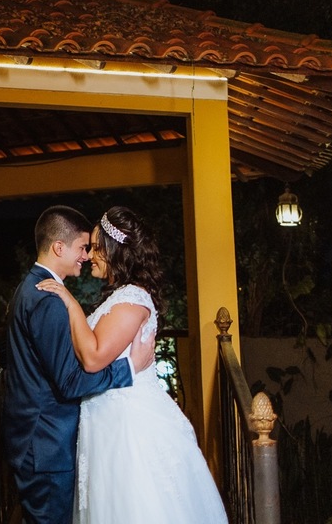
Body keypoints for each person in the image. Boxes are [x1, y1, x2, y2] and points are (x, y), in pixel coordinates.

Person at [36, 205, 228, 524]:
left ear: (115, 252)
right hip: (106, 419)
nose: (90, 255)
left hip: (129, 426)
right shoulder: (118, 297)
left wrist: (69, 302)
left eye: (97, 247)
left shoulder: (133, 300)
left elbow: (95, 357)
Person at [2, 205, 153, 524]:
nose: (86, 256)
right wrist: (128, 369)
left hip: (39, 439)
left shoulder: (29, 289)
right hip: (46, 445)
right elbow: (70, 382)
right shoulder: (47, 299)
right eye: (83, 247)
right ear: (59, 247)